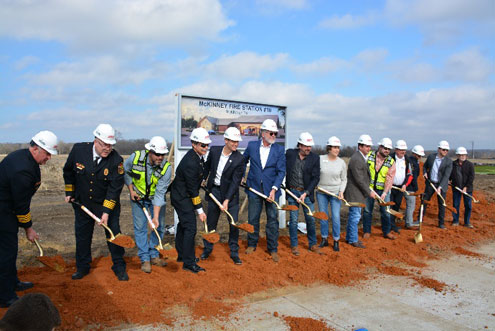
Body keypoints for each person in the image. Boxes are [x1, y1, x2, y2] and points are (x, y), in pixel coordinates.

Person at [0, 131, 58, 308]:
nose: (48, 158)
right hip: (3, 213)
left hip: (8, 210)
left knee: (10, 250)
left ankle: (13, 282)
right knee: (5, 254)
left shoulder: (23, 157)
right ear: (35, 148)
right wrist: (28, 228)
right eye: (47, 153)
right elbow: (21, 205)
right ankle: (5, 296)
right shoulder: (22, 171)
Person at [63, 124, 128, 281]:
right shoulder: (79, 151)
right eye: (105, 144)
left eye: (111, 145)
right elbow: (68, 171)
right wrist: (70, 192)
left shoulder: (116, 160)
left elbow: (115, 188)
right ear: (96, 141)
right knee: (83, 236)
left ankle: (119, 266)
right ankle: (83, 267)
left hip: (106, 204)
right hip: (83, 203)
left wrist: (106, 212)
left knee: (114, 235)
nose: (108, 148)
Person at [124, 136, 171, 273]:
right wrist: (131, 190)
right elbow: (126, 172)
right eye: (157, 154)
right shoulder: (135, 158)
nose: (160, 157)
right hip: (137, 197)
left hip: (154, 198)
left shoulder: (166, 169)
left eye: (163, 154)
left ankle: (154, 254)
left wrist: (155, 217)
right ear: (150, 151)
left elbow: (160, 194)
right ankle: (144, 258)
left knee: (159, 226)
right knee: (140, 228)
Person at [201, 127, 246, 265]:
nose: (236, 144)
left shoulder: (239, 158)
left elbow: (235, 182)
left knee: (233, 224)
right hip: (214, 191)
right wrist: (203, 178)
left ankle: (234, 252)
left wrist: (227, 200)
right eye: (233, 141)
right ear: (226, 140)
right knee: (211, 223)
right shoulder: (214, 151)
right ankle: (207, 249)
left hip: (230, 195)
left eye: (237, 142)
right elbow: (207, 167)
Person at [243, 119, 286, 262]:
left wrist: (274, 189)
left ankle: (273, 248)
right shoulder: (252, 146)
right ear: (263, 133)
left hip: (271, 191)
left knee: (272, 220)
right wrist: (242, 176)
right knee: (253, 218)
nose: (274, 135)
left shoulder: (279, 149)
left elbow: (281, 172)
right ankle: (251, 244)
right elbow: (242, 161)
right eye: (271, 133)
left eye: (275, 133)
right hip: (254, 189)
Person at [170, 127, 210, 273]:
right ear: (194, 144)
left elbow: (195, 182)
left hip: (184, 194)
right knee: (190, 227)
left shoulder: (197, 157)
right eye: (202, 145)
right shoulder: (191, 162)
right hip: (181, 197)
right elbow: (193, 191)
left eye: (207, 145)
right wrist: (200, 210)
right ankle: (189, 262)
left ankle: (182, 254)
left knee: (183, 225)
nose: (205, 148)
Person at [286, 132, 321, 255]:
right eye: (306, 146)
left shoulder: (315, 158)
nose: (308, 148)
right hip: (292, 192)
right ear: (300, 145)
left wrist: (306, 192)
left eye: (310, 146)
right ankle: (294, 245)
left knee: (310, 219)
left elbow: (316, 178)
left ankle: (312, 244)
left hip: (306, 193)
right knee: (293, 220)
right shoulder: (290, 154)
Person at [316, 136, 347, 252]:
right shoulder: (320, 159)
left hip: (335, 194)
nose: (337, 150)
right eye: (334, 147)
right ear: (329, 148)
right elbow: (314, 173)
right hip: (321, 192)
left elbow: (344, 179)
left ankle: (336, 240)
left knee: (335, 217)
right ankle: (324, 239)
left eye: (338, 147)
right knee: (323, 216)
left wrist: (341, 192)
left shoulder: (342, 163)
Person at [362, 138, 397, 240]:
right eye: (385, 148)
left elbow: (390, 178)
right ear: (380, 147)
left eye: (388, 149)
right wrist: (367, 188)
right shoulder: (369, 156)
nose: (387, 150)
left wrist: (385, 193)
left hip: (383, 191)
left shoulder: (391, 161)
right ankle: (367, 231)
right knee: (367, 211)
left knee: (386, 211)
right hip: (369, 188)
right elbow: (363, 171)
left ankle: (386, 232)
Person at [344, 134, 373, 248]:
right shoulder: (356, 159)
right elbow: (359, 179)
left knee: (354, 216)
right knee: (355, 216)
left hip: (358, 192)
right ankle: (353, 240)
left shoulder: (360, 157)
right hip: (355, 192)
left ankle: (350, 238)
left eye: (369, 146)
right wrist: (369, 191)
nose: (368, 148)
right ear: (360, 146)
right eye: (366, 146)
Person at [422, 140, 453, 229]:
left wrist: (440, 187)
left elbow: (446, 176)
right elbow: (425, 166)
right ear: (439, 149)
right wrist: (424, 172)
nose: (445, 152)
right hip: (430, 184)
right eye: (444, 150)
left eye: (447, 150)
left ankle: (441, 223)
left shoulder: (448, 161)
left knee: (442, 204)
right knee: (424, 201)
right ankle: (420, 219)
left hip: (441, 185)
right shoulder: (431, 157)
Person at [389, 140, 412, 232]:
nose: (403, 152)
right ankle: (388, 225)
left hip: (400, 188)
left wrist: (405, 185)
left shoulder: (407, 160)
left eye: (404, 150)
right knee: (389, 207)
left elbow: (410, 174)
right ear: (396, 150)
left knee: (396, 206)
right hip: (390, 187)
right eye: (401, 150)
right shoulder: (390, 158)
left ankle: (393, 224)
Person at [450, 146, 474, 228]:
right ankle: (455, 221)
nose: (462, 156)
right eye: (460, 155)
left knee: (468, 205)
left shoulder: (470, 165)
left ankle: (467, 222)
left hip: (467, 189)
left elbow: (471, 177)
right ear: (457, 155)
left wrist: (466, 187)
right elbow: (450, 175)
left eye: (463, 155)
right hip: (456, 188)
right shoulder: (453, 164)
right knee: (456, 205)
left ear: (466, 155)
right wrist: (449, 180)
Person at [403, 145, 425, 228]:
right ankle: (409, 223)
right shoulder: (413, 163)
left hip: (406, 186)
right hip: (410, 188)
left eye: (421, 156)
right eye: (419, 155)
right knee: (411, 205)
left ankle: (408, 221)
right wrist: (416, 188)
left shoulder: (409, 160)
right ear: (414, 154)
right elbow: (413, 177)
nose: (420, 157)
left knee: (410, 205)